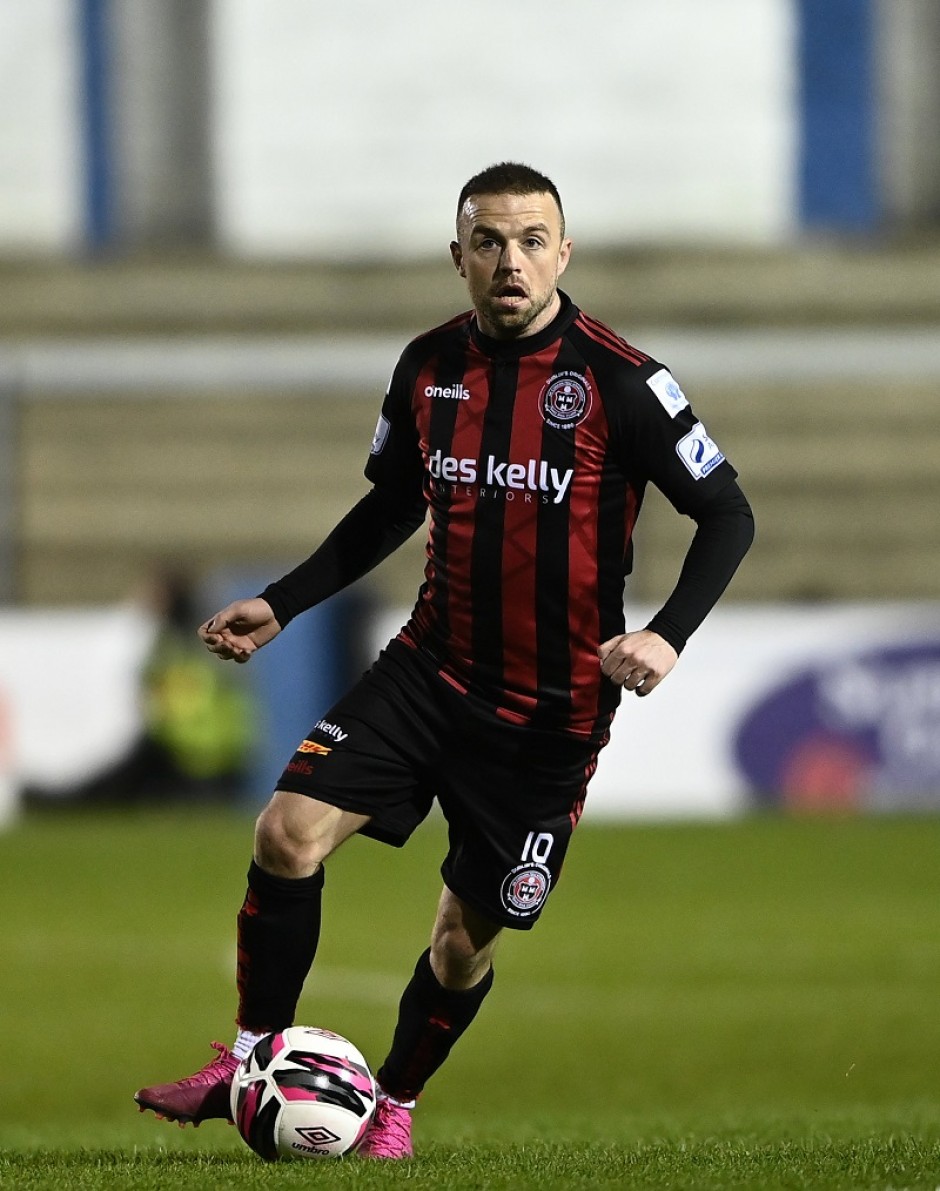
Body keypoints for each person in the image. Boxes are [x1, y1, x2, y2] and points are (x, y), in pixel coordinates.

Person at [134, 162, 754, 1158]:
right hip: (429, 670)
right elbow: (391, 503)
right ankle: (248, 1061)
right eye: (489, 242)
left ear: (563, 252)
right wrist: (283, 602)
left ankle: (394, 1104)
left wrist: (666, 633)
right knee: (285, 833)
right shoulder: (427, 367)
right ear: (457, 255)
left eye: (531, 241)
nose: (511, 261)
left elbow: (726, 512)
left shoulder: (622, 381)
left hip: (548, 714)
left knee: (463, 942)